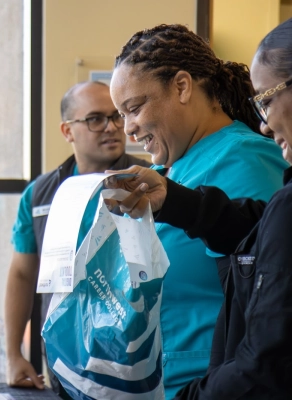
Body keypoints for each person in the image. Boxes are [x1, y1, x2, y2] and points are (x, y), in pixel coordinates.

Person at [107, 18, 292, 399]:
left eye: (134, 108)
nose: (127, 129)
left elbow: (262, 281)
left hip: (212, 383)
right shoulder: (164, 171)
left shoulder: (246, 159)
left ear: (181, 86)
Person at [4, 81, 150, 397]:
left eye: (117, 116)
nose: (112, 127)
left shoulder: (152, 184)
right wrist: (14, 354)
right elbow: (21, 273)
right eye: (95, 119)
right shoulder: (39, 196)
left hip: (135, 358)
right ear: (67, 131)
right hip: (63, 360)